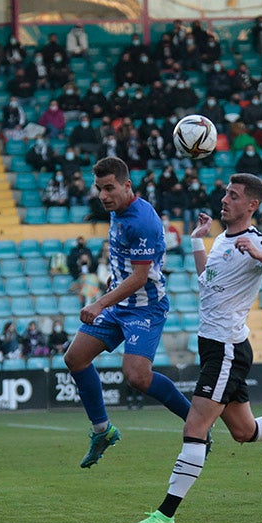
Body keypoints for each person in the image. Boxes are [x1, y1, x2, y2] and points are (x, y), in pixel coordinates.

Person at [125, 173, 262, 523]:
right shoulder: (224, 238)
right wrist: (197, 243)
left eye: (234, 195)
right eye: (226, 192)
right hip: (215, 345)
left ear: (251, 205)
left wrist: (260, 255)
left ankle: (166, 515)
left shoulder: (257, 242)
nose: (225, 199)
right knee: (244, 431)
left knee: (195, 428)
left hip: (227, 349)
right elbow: (208, 282)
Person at [63, 157, 194, 469]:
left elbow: (139, 278)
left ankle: (196, 421)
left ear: (127, 186)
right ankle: (102, 431)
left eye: (109, 188)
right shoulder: (117, 211)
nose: (103, 195)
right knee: (75, 359)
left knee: (137, 376)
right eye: (99, 189)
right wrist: (112, 281)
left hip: (145, 307)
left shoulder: (142, 221)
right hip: (120, 302)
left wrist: (99, 303)